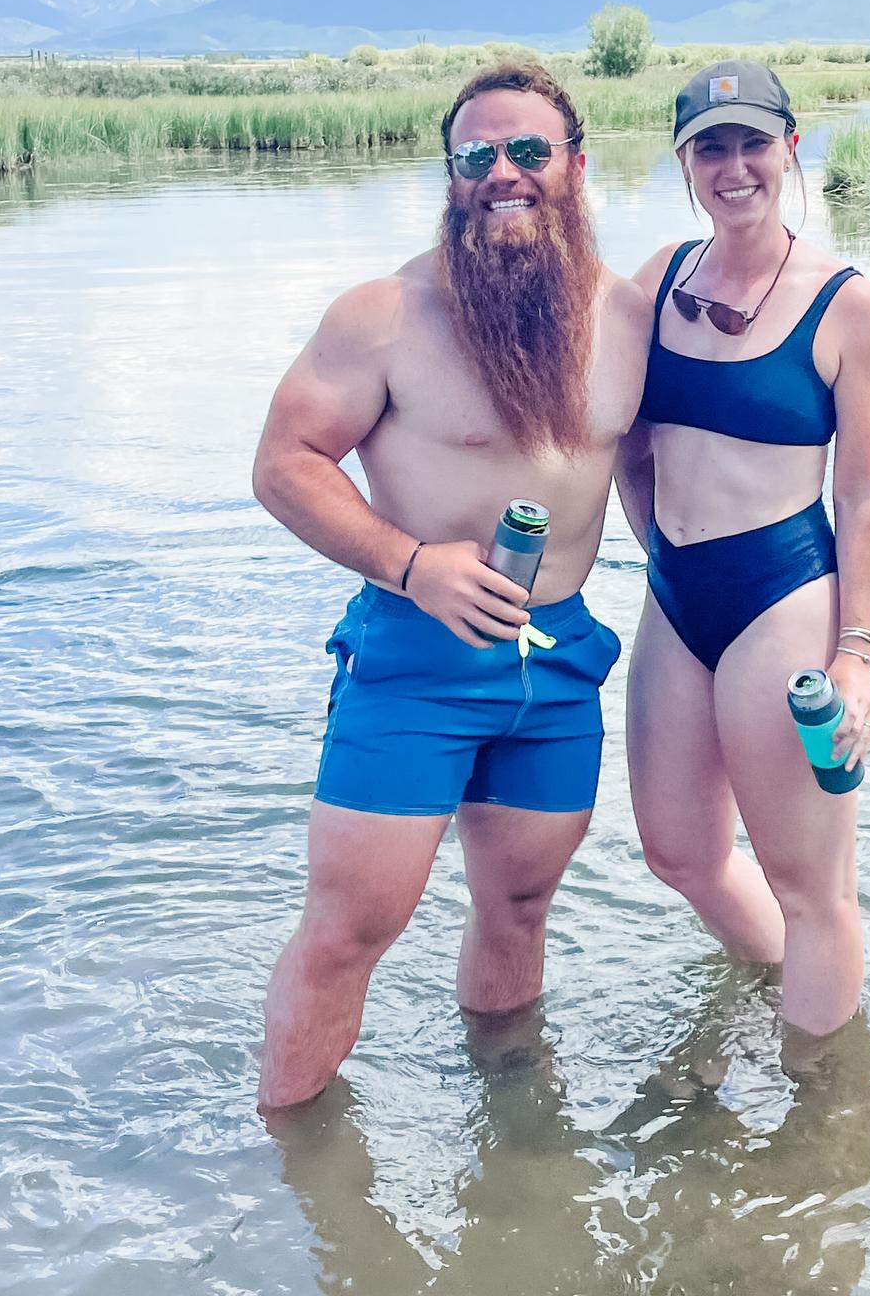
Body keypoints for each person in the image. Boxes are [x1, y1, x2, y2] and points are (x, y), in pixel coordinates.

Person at [251, 60, 651, 1112]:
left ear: (574, 163)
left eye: (528, 150)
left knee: (519, 903)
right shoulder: (385, 313)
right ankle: (294, 1162)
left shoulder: (628, 317)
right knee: (348, 929)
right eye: (475, 155)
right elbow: (284, 462)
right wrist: (412, 564)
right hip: (416, 658)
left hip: (556, 659)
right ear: (449, 173)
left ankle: (513, 1128)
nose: (502, 173)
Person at [616, 60, 870, 1041]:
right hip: (674, 592)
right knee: (677, 851)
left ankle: (820, 1116)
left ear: (789, 146)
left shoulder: (848, 307)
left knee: (812, 882)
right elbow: (618, 432)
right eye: (708, 147)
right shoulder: (656, 279)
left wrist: (853, 654)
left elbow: (862, 496)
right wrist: (649, 537)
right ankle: (781, 985)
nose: (732, 166)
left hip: (780, 590)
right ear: (684, 163)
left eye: (751, 142)